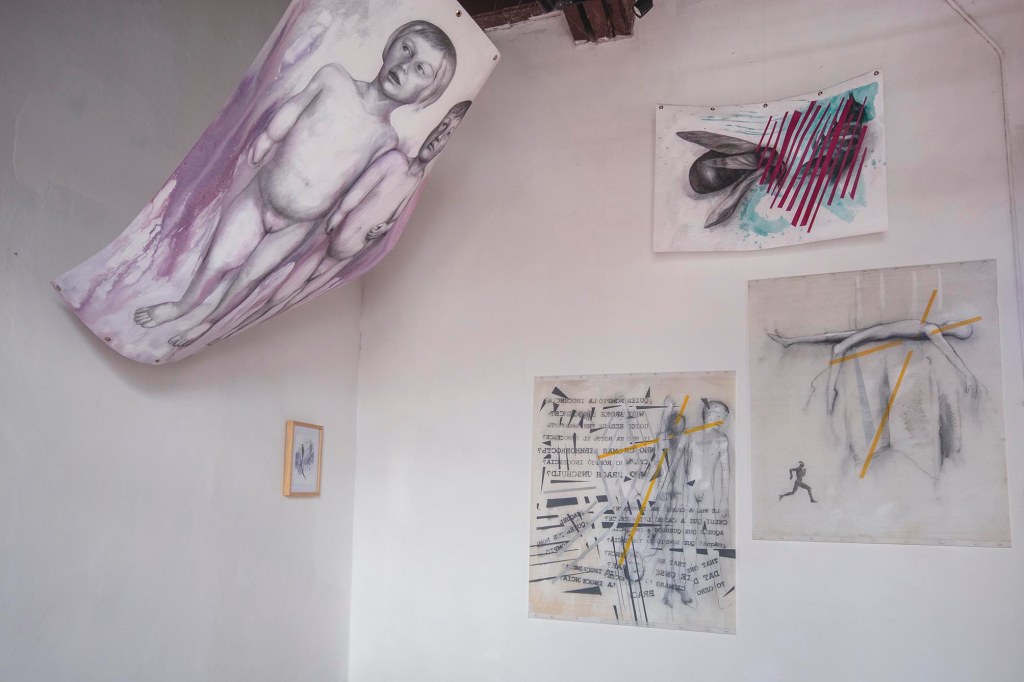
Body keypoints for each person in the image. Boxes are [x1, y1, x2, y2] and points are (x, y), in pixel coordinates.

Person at [133, 21, 457, 347]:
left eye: (421, 69)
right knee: (217, 260)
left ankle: (206, 322)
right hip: (260, 197)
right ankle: (182, 305)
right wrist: (269, 136)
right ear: (389, 46)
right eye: (406, 49)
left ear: (426, 96)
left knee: (247, 279)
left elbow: (360, 189)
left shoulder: (385, 140)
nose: (405, 65)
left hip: (297, 227)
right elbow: (294, 107)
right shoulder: (333, 79)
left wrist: (365, 223)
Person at [218, 101, 473, 340]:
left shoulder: (414, 182)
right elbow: (360, 190)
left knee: (289, 297)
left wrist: (385, 227)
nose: (440, 137)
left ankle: (237, 323)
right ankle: (232, 320)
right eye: (442, 126)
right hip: (331, 241)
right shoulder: (394, 162)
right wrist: (340, 214)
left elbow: (394, 212)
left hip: (345, 254)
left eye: (448, 134)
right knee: (280, 290)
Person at [768, 319, 978, 415]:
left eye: (957, 327)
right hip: (879, 332)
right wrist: (967, 373)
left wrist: (967, 373)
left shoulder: (934, 331)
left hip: (879, 333)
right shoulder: (932, 328)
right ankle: (790, 342)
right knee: (836, 341)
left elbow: (948, 352)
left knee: (838, 345)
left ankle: (830, 392)